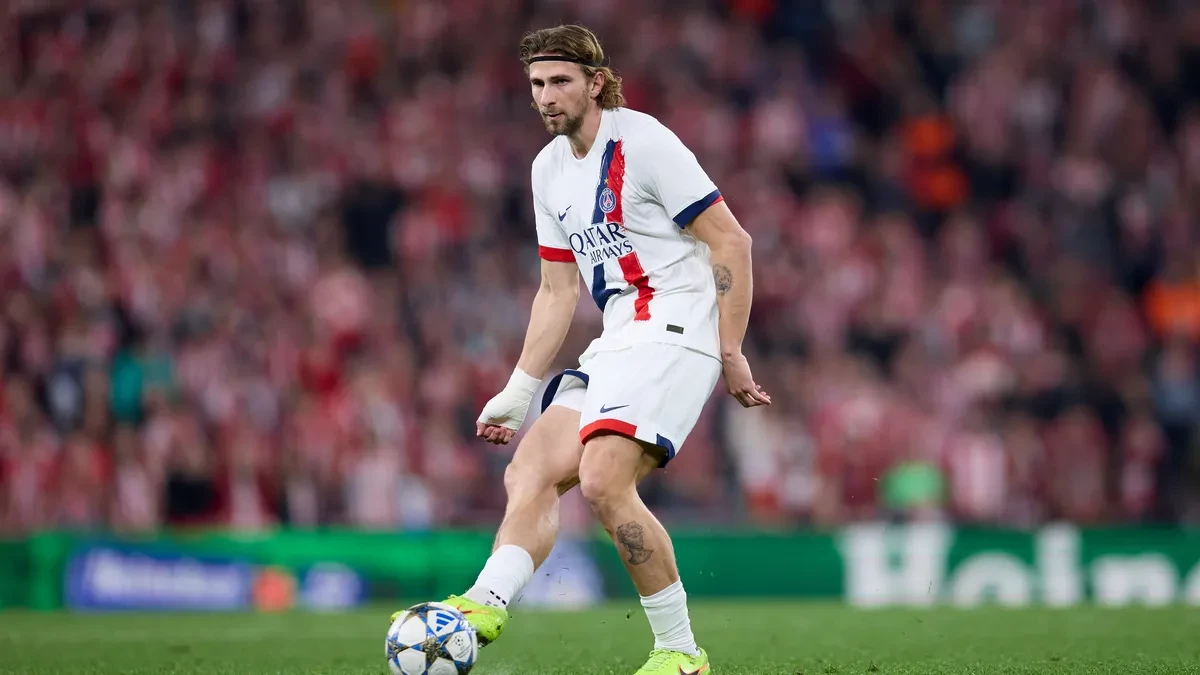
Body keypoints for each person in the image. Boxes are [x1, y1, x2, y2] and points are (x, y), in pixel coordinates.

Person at [395, 24, 769, 675]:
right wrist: (518, 389)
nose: (546, 96)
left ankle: (681, 653)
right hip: (618, 337)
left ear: (596, 83)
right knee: (530, 469)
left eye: (560, 81)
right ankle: (486, 603)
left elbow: (732, 241)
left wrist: (730, 348)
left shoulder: (644, 142)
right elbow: (557, 288)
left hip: (676, 331)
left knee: (601, 480)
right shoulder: (547, 169)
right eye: (537, 83)